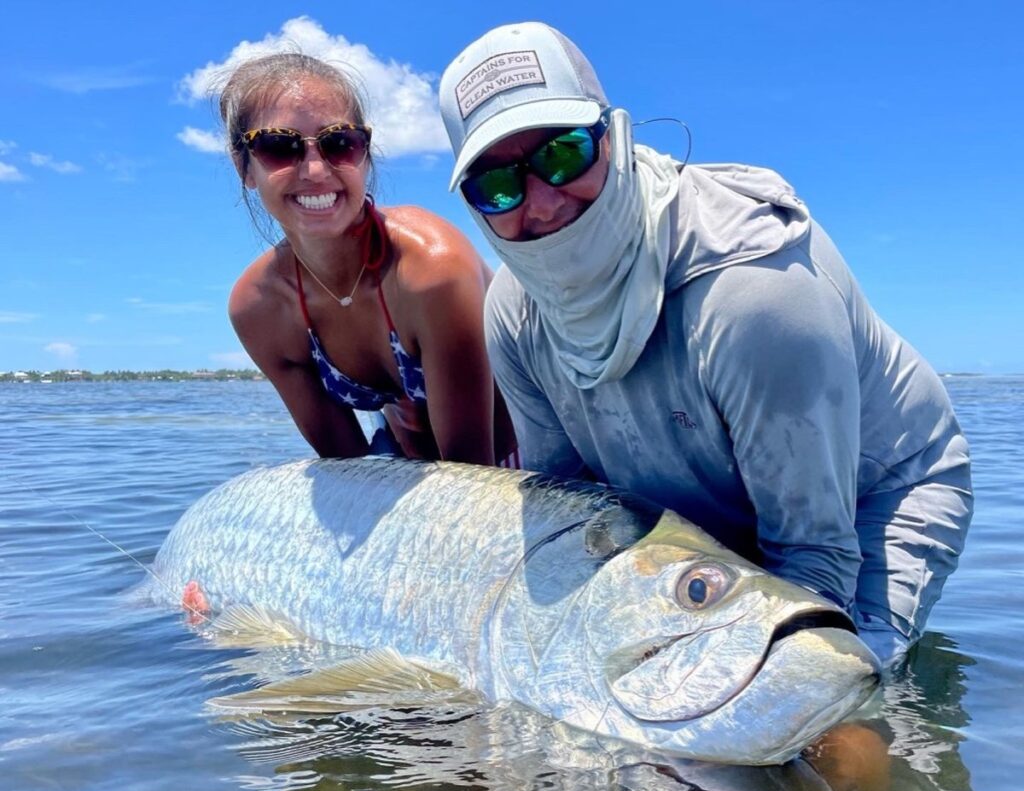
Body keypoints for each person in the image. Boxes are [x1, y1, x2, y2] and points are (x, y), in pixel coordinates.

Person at [438, 22, 972, 666]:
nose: (543, 202)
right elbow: (566, 512)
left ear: (615, 137)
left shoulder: (756, 290)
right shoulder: (511, 314)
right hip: (695, 511)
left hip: (872, 499)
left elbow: (815, 554)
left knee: (828, 698)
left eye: (562, 154)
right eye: (498, 185)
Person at [220, 53, 515, 465]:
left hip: (519, 469)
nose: (316, 170)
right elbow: (347, 472)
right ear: (244, 168)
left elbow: (472, 470)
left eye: (340, 142)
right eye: (278, 147)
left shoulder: (431, 268)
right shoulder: (259, 308)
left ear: (365, 153)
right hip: (406, 473)